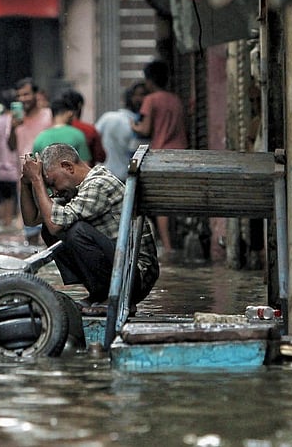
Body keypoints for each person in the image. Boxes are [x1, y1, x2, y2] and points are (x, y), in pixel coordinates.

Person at [20, 143, 159, 311]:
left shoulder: (98, 184)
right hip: (121, 269)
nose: (55, 191)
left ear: (68, 167)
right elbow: (32, 219)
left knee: (75, 230)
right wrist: (26, 183)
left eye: (53, 183)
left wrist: (37, 180)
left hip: (136, 276)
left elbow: (56, 224)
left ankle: (115, 297)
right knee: (49, 230)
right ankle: (100, 293)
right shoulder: (74, 190)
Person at [131, 60, 188, 254]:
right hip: (182, 153)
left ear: (149, 80)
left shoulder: (151, 100)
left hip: (162, 155)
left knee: (162, 202)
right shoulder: (176, 99)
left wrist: (133, 125)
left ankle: (168, 247)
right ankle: (177, 241)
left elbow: (145, 129)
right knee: (177, 199)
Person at [9, 77, 53, 244]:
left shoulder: (48, 115)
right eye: (19, 96)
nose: (22, 99)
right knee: (30, 233)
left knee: (52, 228)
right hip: (25, 179)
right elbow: (11, 146)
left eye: (26, 94)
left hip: (48, 180)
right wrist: (13, 127)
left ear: (36, 94)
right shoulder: (14, 119)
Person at [95, 82, 149, 181]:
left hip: (104, 174)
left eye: (144, 94)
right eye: (140, 95)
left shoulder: (107, 117)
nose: (142, 98)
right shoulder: (138, 126)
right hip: (126, 177)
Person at [31, 95, 92, 161]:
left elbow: (35, 165)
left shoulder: (40, 138)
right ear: (70, 113)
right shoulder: (78, 135)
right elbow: (85, 164)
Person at [60, 89, 106, 166]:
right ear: (79, 105)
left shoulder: (51, 131)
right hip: (86, 175)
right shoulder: (89, 130)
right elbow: (101, 157)